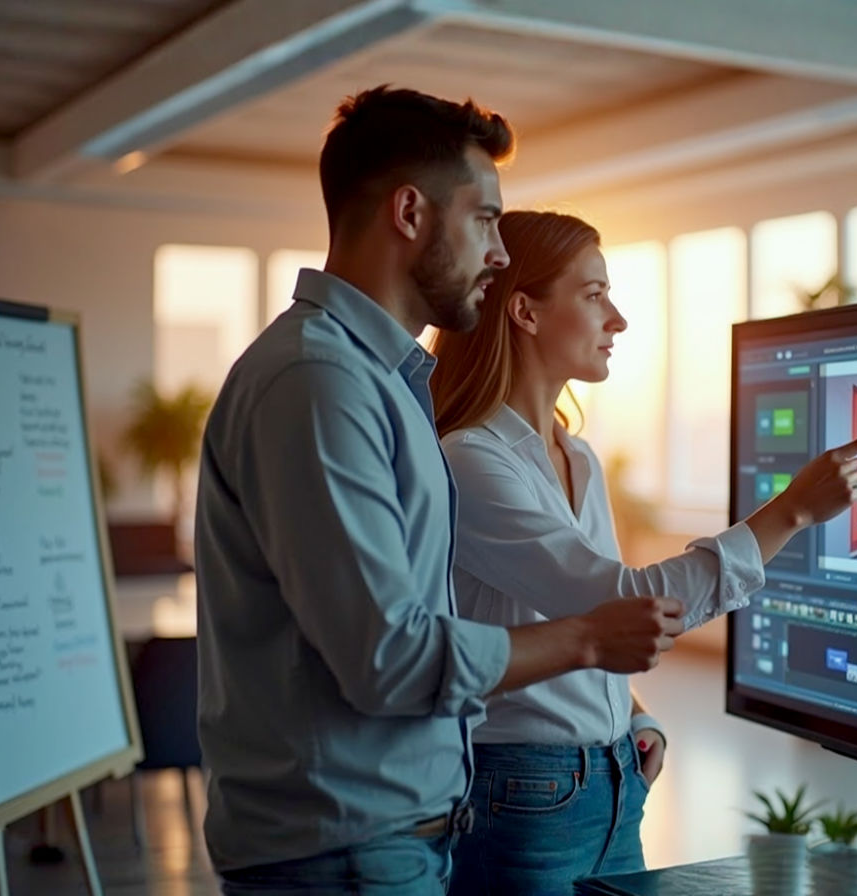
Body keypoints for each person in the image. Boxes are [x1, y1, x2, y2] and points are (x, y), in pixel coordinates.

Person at [194, 89, 686, 896]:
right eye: (485, 220)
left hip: (382, 843)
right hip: (345, 854)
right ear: (411, 212)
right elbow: (388, 656)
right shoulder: (322, 382)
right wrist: (587, 641)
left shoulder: (378, 383)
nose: (498, 254)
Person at [428, 210, 857, 895]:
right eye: (594, 295)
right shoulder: (470, 461)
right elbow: (626, 602)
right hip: (525, 796)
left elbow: (583, 626)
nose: (617, 319)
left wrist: (633, 715)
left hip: (610, 779)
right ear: (524, 311)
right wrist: (791, 511)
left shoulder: (575, 455)